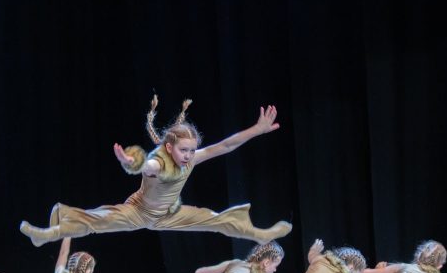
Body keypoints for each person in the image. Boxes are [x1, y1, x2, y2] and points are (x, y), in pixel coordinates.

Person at [20, 95, 292, 246]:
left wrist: (257, 130)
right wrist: (130, 162)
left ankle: (258, 234)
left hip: (169, 214)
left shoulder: (191, 159)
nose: (188, 156)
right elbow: (146, 166)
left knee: (214, 219)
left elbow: (225, 146)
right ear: (169, 147)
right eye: (183, 150)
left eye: (191, 150)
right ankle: (49, 234)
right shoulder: (159, 161)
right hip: (138, 211)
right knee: (98, 220)